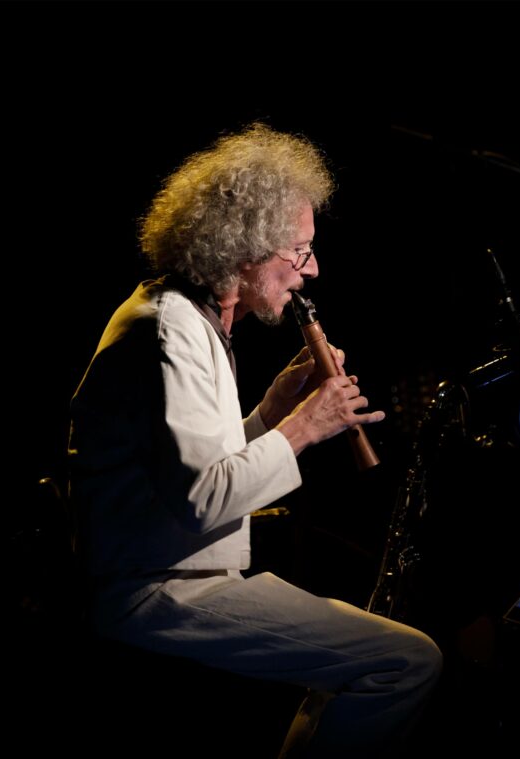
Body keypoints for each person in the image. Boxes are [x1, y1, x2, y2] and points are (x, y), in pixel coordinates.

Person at [69, 123, 441, 757]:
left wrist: (269, 414)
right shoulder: (167, 332)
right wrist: (307, 427)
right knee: (406, 662)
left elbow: (188, 473)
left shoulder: (191, 318)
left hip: (180, 577)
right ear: (245, 248)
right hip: (155, 592)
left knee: (371, 660)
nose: (312, 269)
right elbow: (201, 502)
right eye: (299, 251)